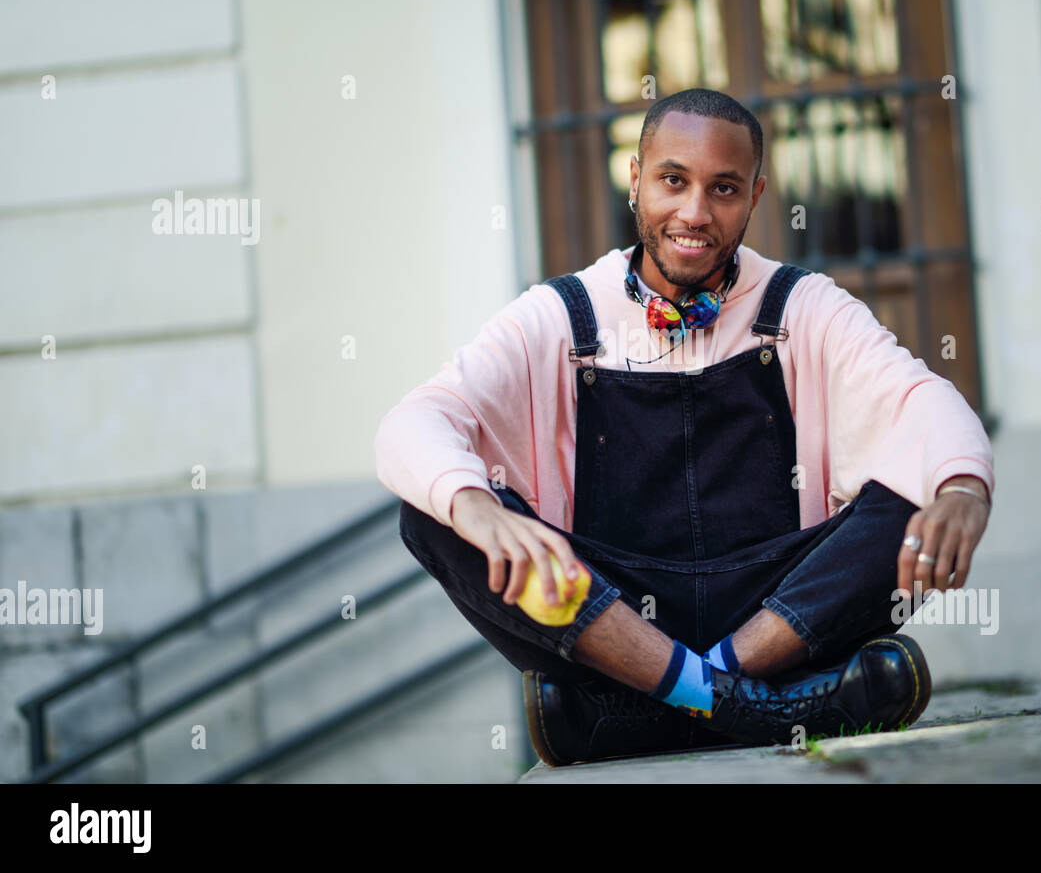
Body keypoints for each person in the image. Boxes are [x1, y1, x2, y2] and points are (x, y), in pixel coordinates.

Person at [375, 88, 994, 767]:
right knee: (432, 514)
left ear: (756, 197)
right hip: (615, 612)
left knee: (918, 493)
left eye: (723, 189)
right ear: (636, 179)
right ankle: (756, 704)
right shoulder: (563, 313)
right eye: (674, 180)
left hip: (774, 607)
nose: (694, 213)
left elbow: (922, 400)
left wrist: (962, 486)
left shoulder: (801, 303)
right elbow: (414, 422)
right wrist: (474, 505)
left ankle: (668, 702)